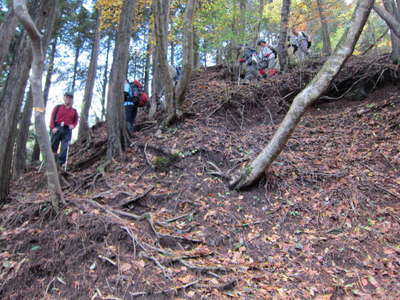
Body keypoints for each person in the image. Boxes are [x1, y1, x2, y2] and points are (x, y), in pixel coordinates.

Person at [49, 92, 79, 166]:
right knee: (53, 145)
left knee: (64, 147)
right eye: (66, 97)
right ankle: (50, 162)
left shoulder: (74, 111)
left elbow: (76, 121)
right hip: (57, 127)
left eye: (70, 98)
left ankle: (60, 164)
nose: (68, 99)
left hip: (67, 130)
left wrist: (73, 126)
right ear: (64, 98)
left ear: (72, 100)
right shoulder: (58, 107)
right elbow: (52, 117)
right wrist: (53, 127)